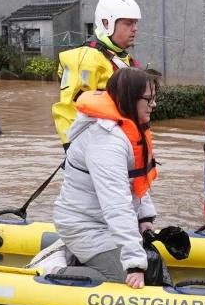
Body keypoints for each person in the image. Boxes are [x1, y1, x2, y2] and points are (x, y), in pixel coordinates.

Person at [53, 68, 161, 288]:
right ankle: (54, 271)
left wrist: (144, 219)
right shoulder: (106, 142)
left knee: (152, 267)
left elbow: (137, 182)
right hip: (85, 226)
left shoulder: (130, 130)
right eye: (148, 100)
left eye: (154, 98)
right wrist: (133, 264)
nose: (154, 105)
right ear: (130, 99)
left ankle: (84, 257)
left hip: (103, 223)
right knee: (124, 282)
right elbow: (116, 203)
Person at [52, 0, 142, 148]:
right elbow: (68, 109)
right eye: (128, 24)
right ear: (107, 24)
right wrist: (72, 149)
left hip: (122, 143)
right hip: (98, 147)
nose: (135, 29)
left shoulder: (124, 59)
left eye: (135, 23)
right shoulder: (87, 59)